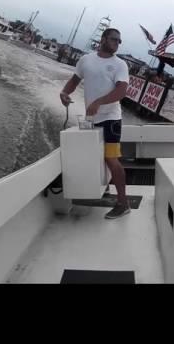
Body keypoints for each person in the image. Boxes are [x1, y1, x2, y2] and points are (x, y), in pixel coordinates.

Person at [59, 28, 131, 219]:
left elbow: (121, 92)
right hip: (91, 119)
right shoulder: (86, 60)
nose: (117, 43)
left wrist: (99, 102)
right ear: (103, 39)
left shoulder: (120, 64)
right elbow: (75, 80)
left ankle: (123, 204)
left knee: (111, 158)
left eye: (119, 41)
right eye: (114, 39)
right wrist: (65, 93)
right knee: (95, 155)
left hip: (111, 120)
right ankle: (104, 188)